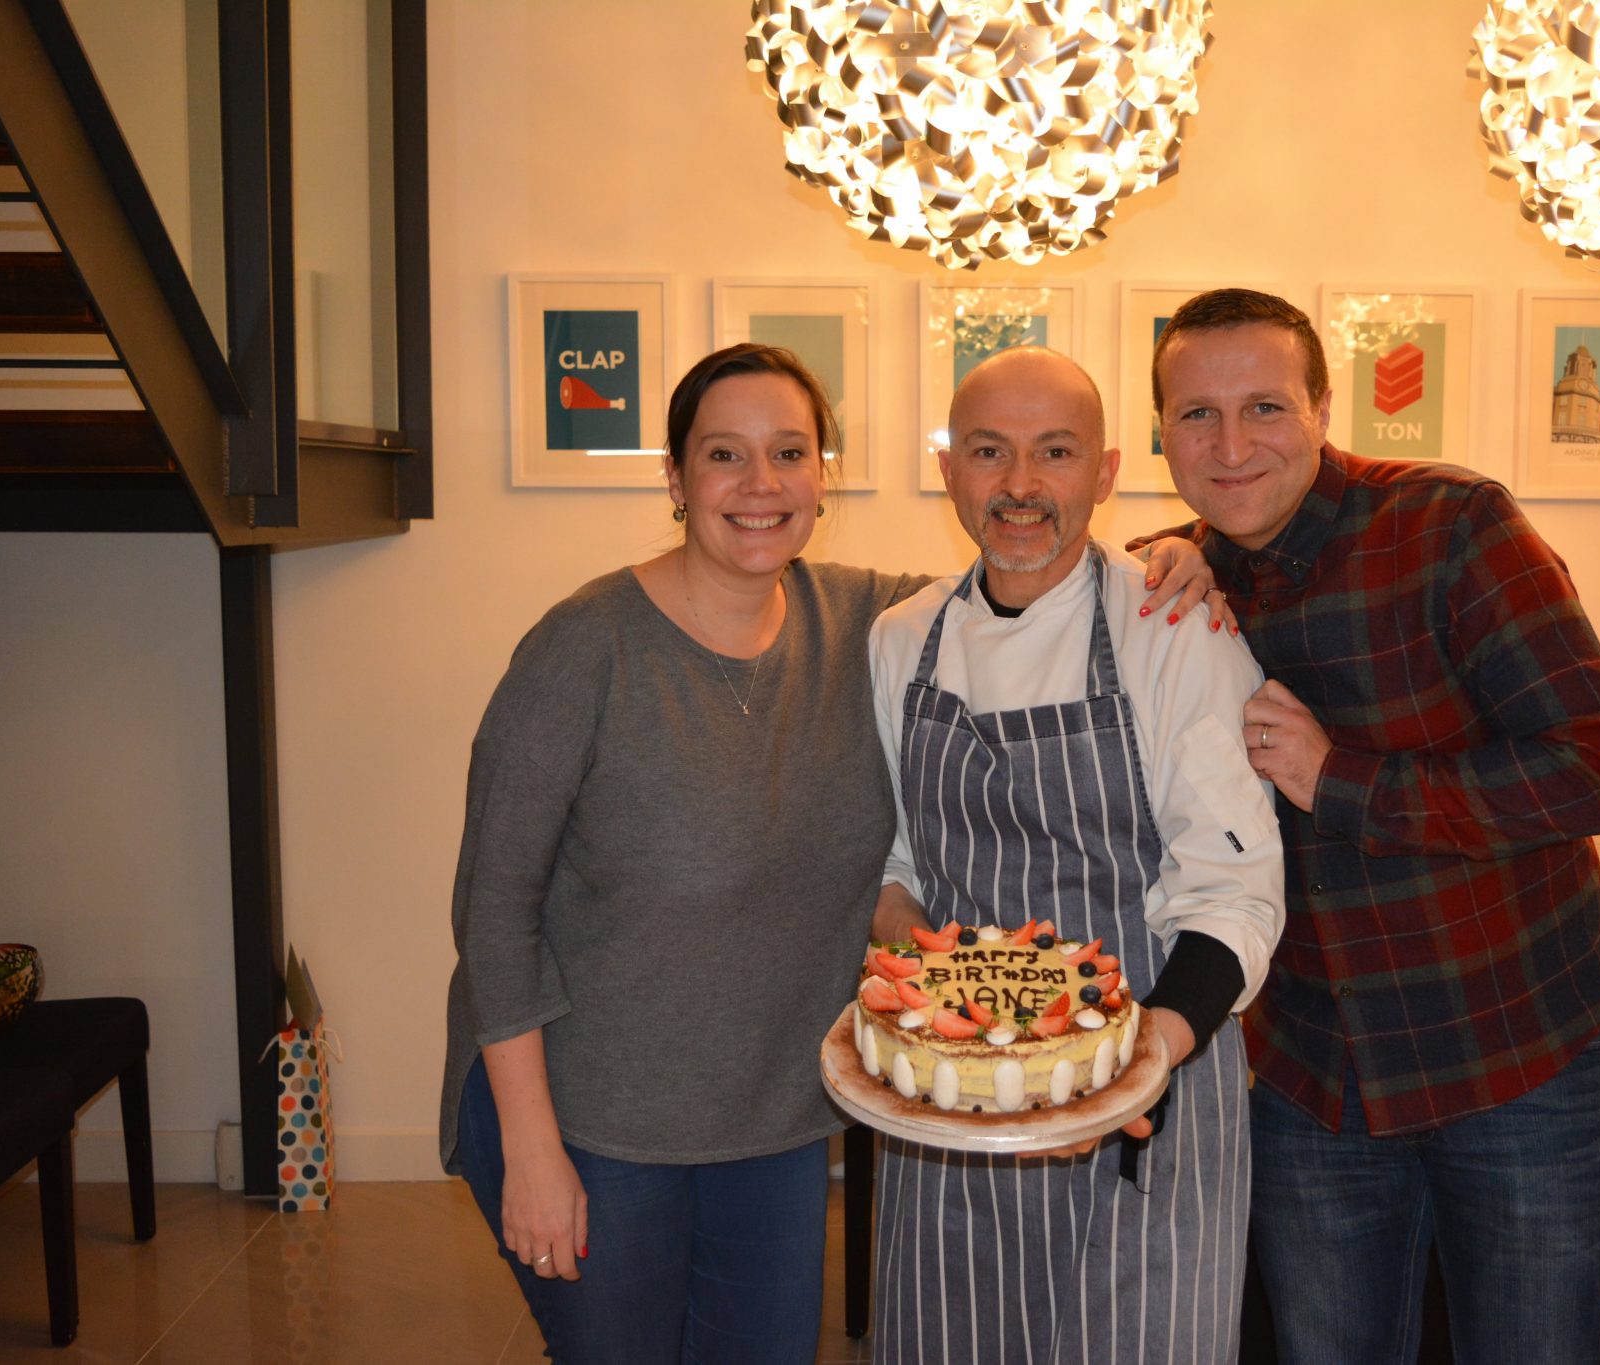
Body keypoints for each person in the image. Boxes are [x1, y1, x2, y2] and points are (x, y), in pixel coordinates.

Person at [439, 343, 1224, 1364]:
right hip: (595, 1120)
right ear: (675, 477)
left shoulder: (867, 622)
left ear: (822, 476)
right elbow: (493, 910)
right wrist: (532, 1149)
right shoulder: (586, 646)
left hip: (776, 1120)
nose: (759, 484)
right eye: (724, 454)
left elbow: (1030, 562)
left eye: (788, 453)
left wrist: (1182, 552)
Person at [1142, 290, 1600, 1365]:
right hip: (1312, 1077)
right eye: (1196, 416)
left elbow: (1593, 774)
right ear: (1160, 435)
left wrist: (1340, 781)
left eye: (1265, 407)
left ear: (1323, 409)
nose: (1231, 446)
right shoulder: (1173, 585)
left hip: (1513, 1057)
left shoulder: (1452, 526)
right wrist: (1170, 552)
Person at [866, 346, 1285, 1363]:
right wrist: (955, 1030)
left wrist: (1129, 1068)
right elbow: (896, 864)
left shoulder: (1174, 628)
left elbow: (1233, 892)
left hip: (1155, 1074)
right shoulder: (901, 639)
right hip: (957, 1101)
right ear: (947, 470)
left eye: (1054, 452)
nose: (1019, 484)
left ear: (1103, 475)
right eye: (987, 452)